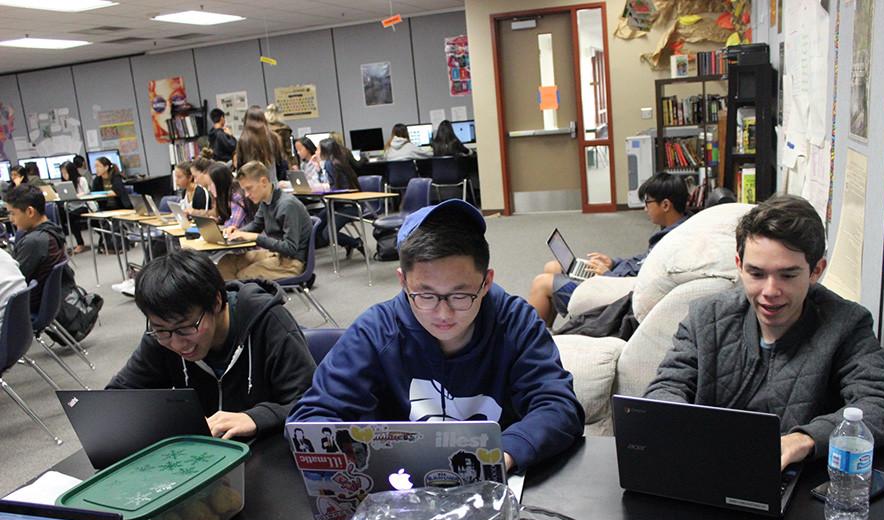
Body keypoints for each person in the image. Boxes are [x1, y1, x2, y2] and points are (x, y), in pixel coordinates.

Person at [288, 199, 585, 472]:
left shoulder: (516, 321)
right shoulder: (375, 332)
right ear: (403, 282)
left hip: (495, 485)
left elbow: (558, 406)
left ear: (486, 282)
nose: (443, 314)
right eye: (425, 295)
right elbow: (310, 420)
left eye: (460, 295)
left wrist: (501, 456)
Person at [644, 196, 884, 470]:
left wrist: (804, 439)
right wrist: (681, 424)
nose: (770, 292)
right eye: (756, 273)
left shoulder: (846, 324)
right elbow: (665, 388)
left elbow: (883, 405)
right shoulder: (705, 317)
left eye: (788, 276)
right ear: (739, 265)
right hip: (707, 471)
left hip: (794, 487)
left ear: (816, 271)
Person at [107, 250, 316, 438]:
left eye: (186, 328)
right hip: (205, 458)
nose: (178, 344)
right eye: (162, 330)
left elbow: (311, 404)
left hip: (268, 454)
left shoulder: (269, 322)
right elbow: (117, 399)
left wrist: (257, 417)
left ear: (216, 303)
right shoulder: (162, 335)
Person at [528, 172, 689, 326]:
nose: (645, 209)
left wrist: (607, 275)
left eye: (648, 202)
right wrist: (613, 262)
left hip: (615, 292)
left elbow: (644, 284)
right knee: (553, 266)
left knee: (541, 283)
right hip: (615, 277)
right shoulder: (679, 229)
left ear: (666, 205)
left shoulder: (671, 242)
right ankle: (546, 333)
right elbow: (643, 261)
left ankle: (531, 344)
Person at [217, 161, 312, 281]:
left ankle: (238, 295)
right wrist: (237, 232)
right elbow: (256, 225)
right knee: (226, 262)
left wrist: (255, 237)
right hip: (276, 255)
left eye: (249, 188)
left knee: (242, 276)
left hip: (291, 262)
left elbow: (290, 248)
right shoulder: (266, 201)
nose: (246, 195)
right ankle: (232, 295)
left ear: (263, 182)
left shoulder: (287, 205)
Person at [6, 185, 74, 313]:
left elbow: (12, 278)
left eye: (12, 213)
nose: (11, 219)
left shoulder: (34, 242)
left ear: (30, 212)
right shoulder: (52, 230)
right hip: (48, 301)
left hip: (26, 308)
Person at [234, 106, 285, 182]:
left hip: (252, 186)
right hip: (271, 185)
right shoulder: (274, 138)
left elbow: (240, 167)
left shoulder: (243, 140)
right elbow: (280, 164)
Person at [205, 162, 254, 229]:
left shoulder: (236, 196)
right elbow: (228, 217)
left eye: (210, 184)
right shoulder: (225, 195)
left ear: (220, 182)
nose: (209, 189)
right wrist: (218, 221)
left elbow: (232, 225)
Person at [59, 161, 92, 254]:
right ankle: (62, 244)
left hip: (84, 205)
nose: (64, 175)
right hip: (71, 206)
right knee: (60, 215)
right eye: (62, 173)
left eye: (65, 172)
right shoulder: (64, 184)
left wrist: (76, 195)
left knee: (70, 217)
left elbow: (86, 192)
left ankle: (80, 243)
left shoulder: (81, 180)